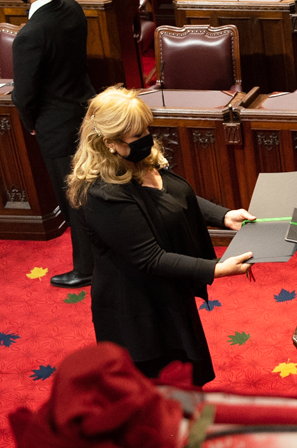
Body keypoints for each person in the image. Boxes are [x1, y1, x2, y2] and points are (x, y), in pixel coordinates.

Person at [67, 87, 255, 386]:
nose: (146, 139)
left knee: (185, 380)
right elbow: (150, 258)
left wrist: (222, 216)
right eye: (136, 135)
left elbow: (172, 196)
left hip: (167, 291)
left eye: (145, 129)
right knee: (159, 391)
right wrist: (216, 269)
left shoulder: (138, 160)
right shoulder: (101, 193)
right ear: (109, 143)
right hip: (137, 309)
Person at [8, 0, 97, 288]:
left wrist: (30, 123)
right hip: (85, 112)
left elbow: (25, 94)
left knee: (73, 200)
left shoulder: (30, 35)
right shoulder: (73, 8)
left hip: (56, 126)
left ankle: (85, 269)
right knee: (91, 191)